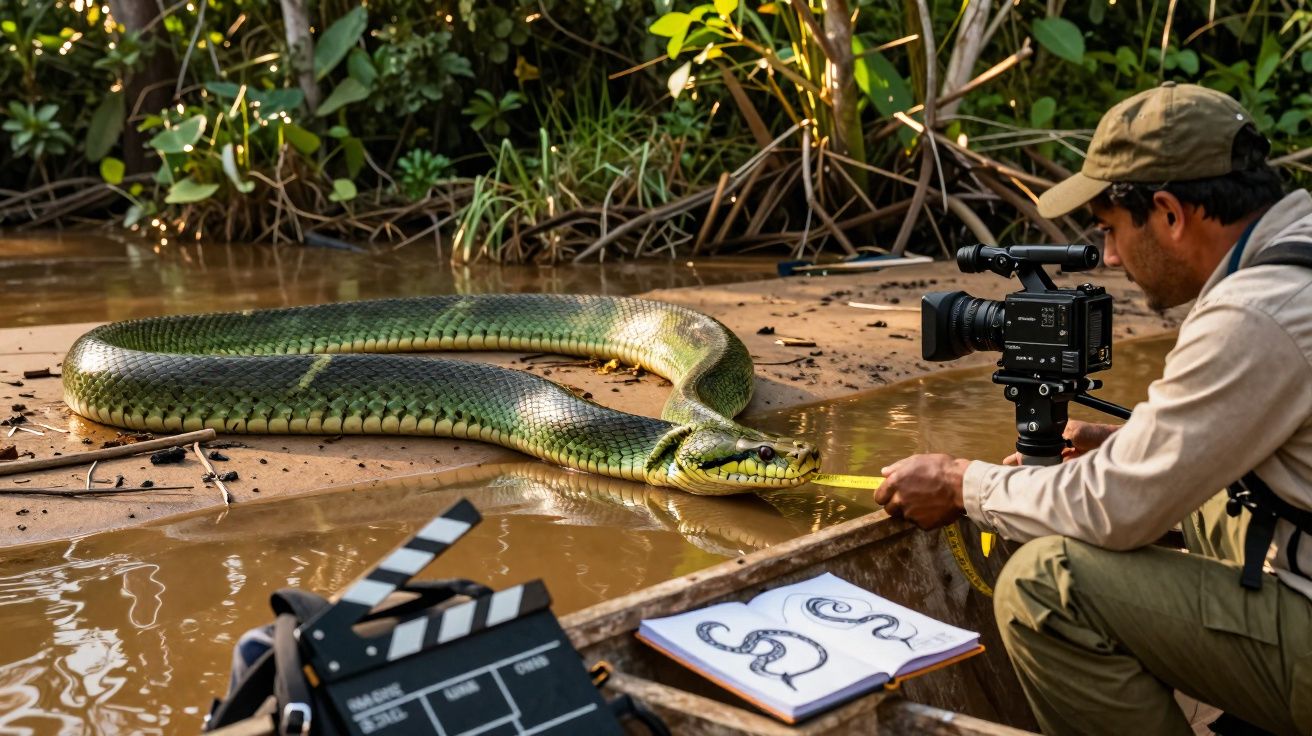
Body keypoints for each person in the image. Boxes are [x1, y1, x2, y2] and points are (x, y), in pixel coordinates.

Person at [873, 82, 1312, 736]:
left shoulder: (1256, 314)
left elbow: (1112, 510)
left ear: (1168, 213)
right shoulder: (1295, 249)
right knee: (1203, 491)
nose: (1108, 256)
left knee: (1044, 587)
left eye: (1110, 230)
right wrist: (1130, 440)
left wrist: (964, 484)